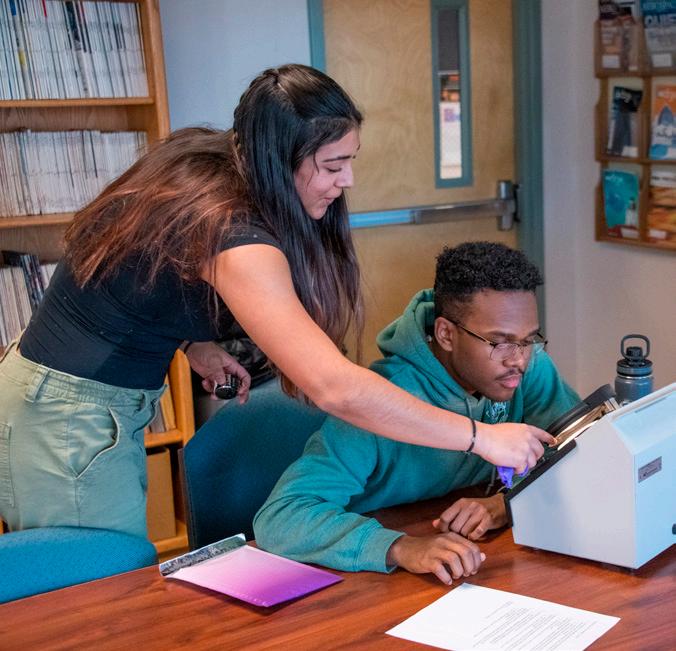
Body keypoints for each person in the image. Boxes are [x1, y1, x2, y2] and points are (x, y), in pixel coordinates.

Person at [0, 64, 553, 539]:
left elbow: (140, 267)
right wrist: (481, 438)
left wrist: (193, 342)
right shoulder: (233, 235)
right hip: (67, 417)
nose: (347, 180)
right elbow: (334, 386)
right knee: (98, 595)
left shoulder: (213, 159)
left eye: (350, 160)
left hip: (64, 396)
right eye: (331, 166)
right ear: (276, 160)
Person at [254, 242, 580, 584]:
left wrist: (506, 503)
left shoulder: (525, 367)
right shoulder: (380, 403)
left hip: (476, 564)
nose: (519, 359)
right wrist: (400, 547)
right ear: (446, 334)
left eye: (528, 339)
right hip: (364, 579)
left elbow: (580, 450)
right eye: (499, 343)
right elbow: (281, 517)